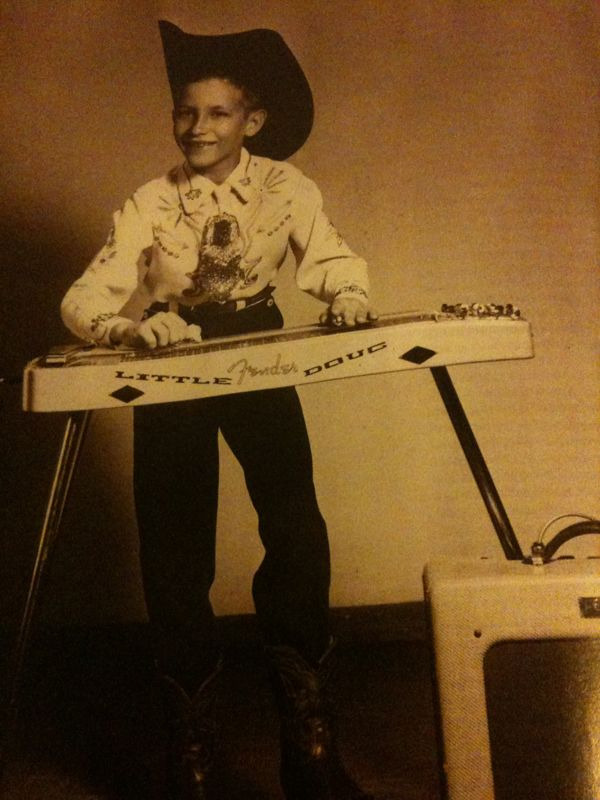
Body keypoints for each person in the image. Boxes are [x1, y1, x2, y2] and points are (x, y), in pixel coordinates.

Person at [61, 20, 378, 800]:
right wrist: (133, 326)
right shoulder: (147, 201)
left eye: (218, 114)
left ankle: (309, 751)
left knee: (296, 528)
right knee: (174, 546)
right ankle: (192, 760)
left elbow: (330, 257)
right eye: (186, 113)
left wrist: (348, 294)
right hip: (169, 362)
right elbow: (80, 300)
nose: (199, 129)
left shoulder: (287, 189)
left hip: (262, 352)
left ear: (253, 122)